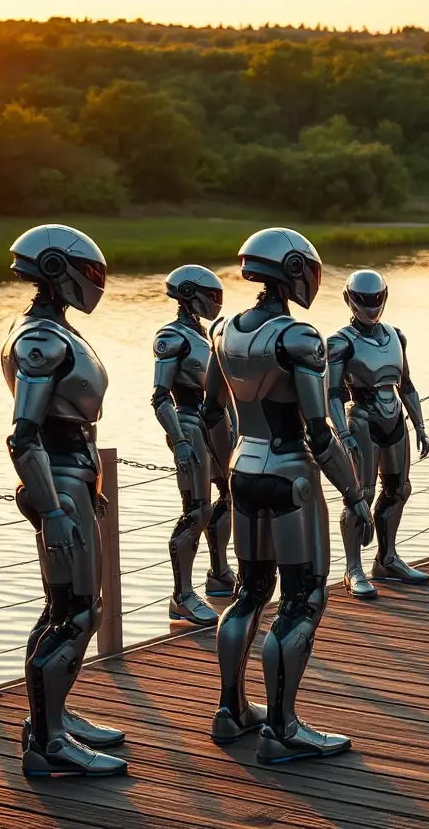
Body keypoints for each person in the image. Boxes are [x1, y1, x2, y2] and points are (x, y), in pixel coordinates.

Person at [201, 227, 374, 762]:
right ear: (295, 270)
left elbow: (211, 413)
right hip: (290, 474)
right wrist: (355, 494)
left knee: (250, 590)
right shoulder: (298, 338)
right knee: (304, 597)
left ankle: (231, 711)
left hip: (243, 467)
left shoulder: (223, 330)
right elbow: (319, 433)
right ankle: (282, 728)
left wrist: (226, 471)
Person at [2, 224, 127, 777]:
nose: (94, 281)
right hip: (58, 481)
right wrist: (53, 510)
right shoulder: (42, 340)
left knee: (64, 608)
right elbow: (23, 435)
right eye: (88, 271)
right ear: (57, 269)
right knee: (78, 612)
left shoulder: (48, 330)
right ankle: (48, 741)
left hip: (71, 478)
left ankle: (50, 718)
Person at [327, 269, 429, 599]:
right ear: (349, 299)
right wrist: (342, 433)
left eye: (376, 299)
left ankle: (387, 558)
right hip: (361, 419)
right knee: (361, 494)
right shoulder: (340, 342)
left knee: (399, 488)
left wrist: (420, 425)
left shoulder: (396, 336)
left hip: (394, 416)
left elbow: (406, 384)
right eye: (364, 299)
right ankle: (353, 568)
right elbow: (331, 393)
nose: (371, 305)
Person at [151, 265, 237, 628]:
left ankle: (219, 574)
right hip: (188, 423)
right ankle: (182, 596)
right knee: (195, 511)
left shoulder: (207, 335)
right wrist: (181, 441)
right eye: (210, 295)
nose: (215, 301)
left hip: (216, 425)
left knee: (228, 496)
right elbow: (160, 397)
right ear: (190, 294)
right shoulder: (172, 337)